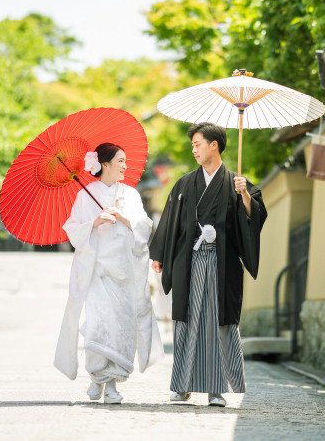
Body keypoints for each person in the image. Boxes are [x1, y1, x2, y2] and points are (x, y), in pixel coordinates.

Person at [150, 122, 267, 407]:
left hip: (222, 261)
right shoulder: (185, 184)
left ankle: (217, 388)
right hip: (189, 261)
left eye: (197, 144)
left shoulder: (237, 184)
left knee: (218, 321)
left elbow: (255, 218)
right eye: (193, 145)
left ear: (214, 144)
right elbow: (170, 220)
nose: (194, 149)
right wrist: (160, 254)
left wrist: (246, 197)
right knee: (186, 321)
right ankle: (182, 386)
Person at [54, 143, 163, 404]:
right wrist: (96, 221)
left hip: (124, 273)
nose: (126, 166)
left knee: (121, 327)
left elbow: (144, 228)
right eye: (121, 161)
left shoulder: (132, 195)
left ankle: (112, 383)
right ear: (105, 164)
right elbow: (73, 229)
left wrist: (126, 219)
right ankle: (97, 379)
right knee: (99, 325)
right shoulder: (86, 195)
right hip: (98, 272)